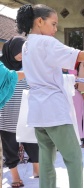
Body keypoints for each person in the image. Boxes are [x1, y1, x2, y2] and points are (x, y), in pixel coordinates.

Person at [16, 4, 84, 188]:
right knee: (74, 157)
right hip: (53, 110)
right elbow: (79, 55)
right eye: (53, 24)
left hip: (37, 111)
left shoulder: (27, 45)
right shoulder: (46, 43)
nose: (55, 29)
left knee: (46, 161)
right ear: (39, 21)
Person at [0, 36, 37, 188]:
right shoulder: (2, 67)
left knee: (34, 143)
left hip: (27, 114)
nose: (22, 54)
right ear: (12, 49)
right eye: (20, 50)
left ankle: (37, 169)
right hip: (6, 114)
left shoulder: (28, 65)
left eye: (25, 51)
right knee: (10, 146)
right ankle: (15, 176)